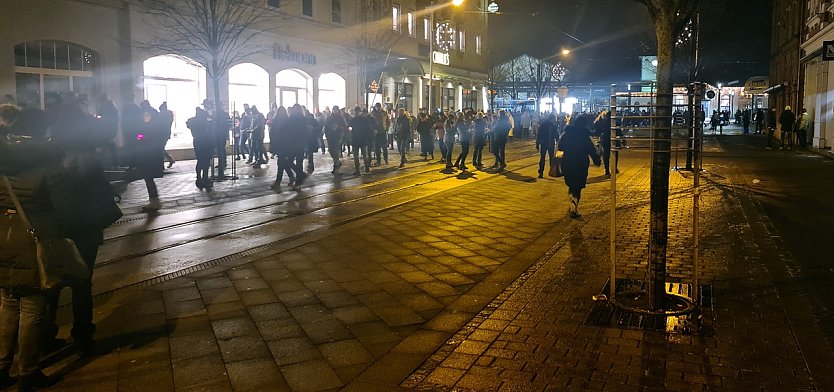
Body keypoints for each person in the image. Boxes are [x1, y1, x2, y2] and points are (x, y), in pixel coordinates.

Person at [0, 105, 66, 390]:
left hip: (3, 234)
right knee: (32, 307)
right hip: (34, 238)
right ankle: (28, 371)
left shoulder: (4, 160)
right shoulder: (48, 162)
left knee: (8, 303)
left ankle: (1, 368)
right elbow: (62, 206)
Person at [558, 114, 601, 218]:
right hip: (580, 163)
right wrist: (596, 160)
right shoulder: (585, 136)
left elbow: (560, 147)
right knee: (578, 186)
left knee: (571, 184)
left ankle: (572, 198)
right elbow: (591, 150)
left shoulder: (567, 133)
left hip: (567, 162)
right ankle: (574, 205)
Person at [136, 101, 166, 211]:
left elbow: (141, 136)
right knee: (148, 178)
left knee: (148, 177)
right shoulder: (154, 122)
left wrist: (140, 137)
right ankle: (154, 201)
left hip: (148, 155)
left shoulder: (149, 125)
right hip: (150, 154)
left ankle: (154, 202)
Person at [187, 107, 213, 189]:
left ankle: (199, 178)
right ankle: (204, 178)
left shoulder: (192, 121)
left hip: (197, 142)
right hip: (206, 142)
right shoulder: (204, 122)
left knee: (200, 160)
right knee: (206, 160)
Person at [594, 110, 618, 177]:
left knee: (606, 155)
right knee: (615, 154)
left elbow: (599, 130)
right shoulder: (614, 121)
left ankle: (607, 170)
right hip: (613, 139)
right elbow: (618, 130)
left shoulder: (603, 121)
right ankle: (614, 168)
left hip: (605, 139)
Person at [349, 107, 373, 175]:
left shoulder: (362, 120)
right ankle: (360, 169)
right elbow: (349, 127)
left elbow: (368, 129)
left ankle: (363, 168)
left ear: (359, 112)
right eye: (355, 111)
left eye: (357, 111)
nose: (356, 113)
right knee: (359, 155)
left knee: (362, 155)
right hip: (358, 139)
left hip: (360, 139)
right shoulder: (357, 120)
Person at [324, 106, 347, 174]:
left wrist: (338, 127)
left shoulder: (341, 118)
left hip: (338, 136)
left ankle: (336, 165)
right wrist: (326, 133)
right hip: (330, 136)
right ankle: (337, 162)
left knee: (336, 151)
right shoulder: (329, 117)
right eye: (334, 110)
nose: (335, 111)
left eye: (336, 110)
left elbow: (345, 126)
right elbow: (326, 126)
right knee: (331, 150)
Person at [537, 113, 559, 178]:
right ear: (552, 119)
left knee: (542, 158)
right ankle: (552, 171)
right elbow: (556, 135)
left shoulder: (543, 124)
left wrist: (537, 143)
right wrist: (558, 141)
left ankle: (541, 172)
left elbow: (539, 134)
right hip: (551, 144)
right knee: (551, 158)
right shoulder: (553, 125)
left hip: (544, 143)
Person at [158, 102, 176, 168]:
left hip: (162, 133)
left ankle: (166, 161)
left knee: (160, 148)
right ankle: (169, 160)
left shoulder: (164, 116)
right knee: (161, 148)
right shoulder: (169, 115)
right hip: (166, 133)